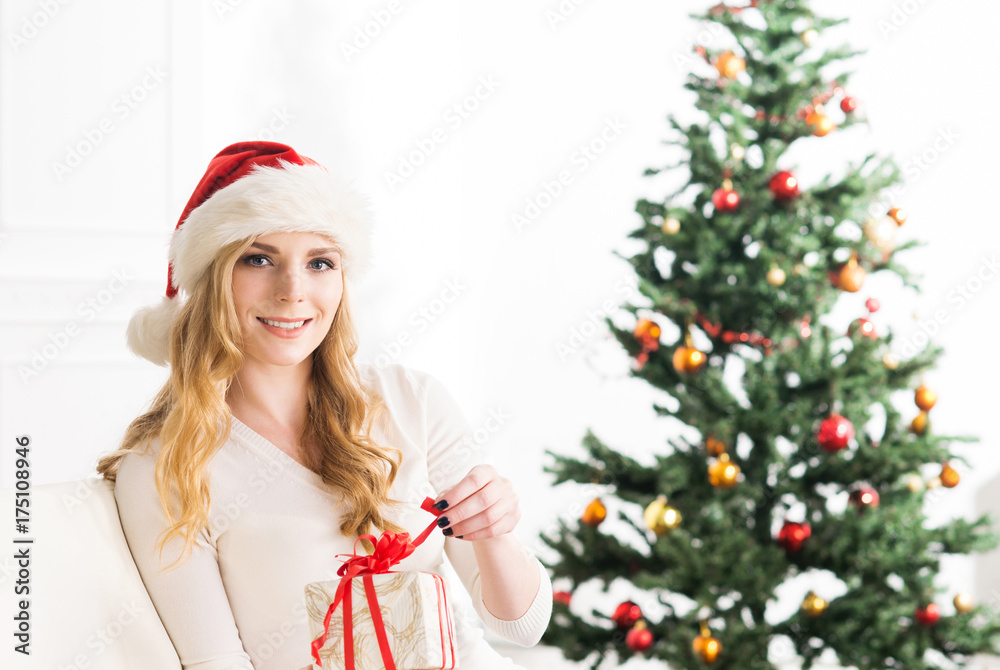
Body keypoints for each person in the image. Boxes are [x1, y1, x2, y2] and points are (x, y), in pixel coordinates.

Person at [96, 141, 552, 669]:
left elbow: (520, 625)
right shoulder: (165, 466)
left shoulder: (411, 401)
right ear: (212, 280)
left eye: (320, 262)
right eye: (258, 259)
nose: (293, 290)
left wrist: (493, 533)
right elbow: (215, 663)